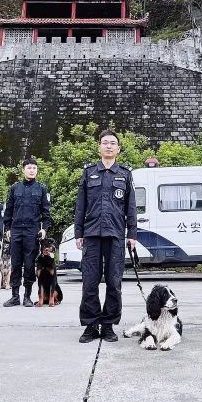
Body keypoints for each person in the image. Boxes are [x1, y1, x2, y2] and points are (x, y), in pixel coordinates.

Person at [75, 130, 137, 343]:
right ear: (99, 147)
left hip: (116, 235)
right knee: (90, 282)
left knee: (114, 282)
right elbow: (80, 206)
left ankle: (109, 325)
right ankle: (91, 325)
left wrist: (132, 234)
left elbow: (131, 207)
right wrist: (78, 233)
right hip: (91, 234)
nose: (109, 146)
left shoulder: (125, 174)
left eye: (113, 143)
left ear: (118, 149)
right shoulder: (88, 173)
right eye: (105, 143)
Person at [2, 159, 50, 308]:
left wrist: (44, 229)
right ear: (23, 170)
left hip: (32, 231)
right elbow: (8, 210)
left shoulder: (41, 188)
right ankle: (14, 296)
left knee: (29, 265)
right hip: (16, 231)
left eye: (34, 168)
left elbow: (46, 212)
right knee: (16, 264)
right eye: (29, 168)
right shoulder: (15, 188)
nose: (32, 170)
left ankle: (27, 297)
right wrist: (7, 228)